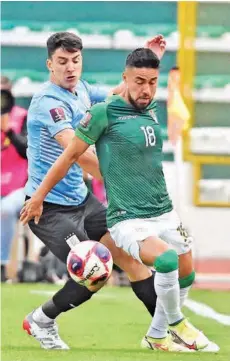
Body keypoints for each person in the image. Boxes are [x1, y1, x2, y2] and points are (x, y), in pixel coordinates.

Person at [21, 47, 217, 353]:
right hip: (50, 209)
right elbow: (72, 150)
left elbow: (127, 88)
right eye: (62, 62)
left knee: (133, 261)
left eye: (76, 60)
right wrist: (120, 175)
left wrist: (147, 55)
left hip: (82, 200)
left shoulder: (84, 91)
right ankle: (41, 319)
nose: (70, 68)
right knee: (92, 271)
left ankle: (162, 333)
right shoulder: (49, 102)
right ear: (49, 64)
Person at [1, 76, 28, 282]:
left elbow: (28, 151)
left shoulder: (22, 117)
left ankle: (2, 265)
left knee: (6, 210)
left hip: (19, 187)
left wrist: (9, 129)